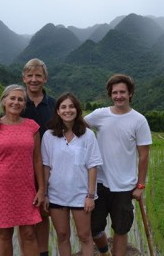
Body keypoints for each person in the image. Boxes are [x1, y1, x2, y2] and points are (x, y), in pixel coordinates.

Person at [0, 58, 55, 256]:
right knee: (16, 225)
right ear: (24, 77)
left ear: (45, 79)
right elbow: (4, 119)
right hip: (16, 173)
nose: (34, 79)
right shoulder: (18, 100)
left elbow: (69, 123)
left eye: (38, 76)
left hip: (45, 168)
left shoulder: (53, 104)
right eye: (30, 75)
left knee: (41, 215)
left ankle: (43, 252)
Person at [85, 74, 152, 256]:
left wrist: (140, 185)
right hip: (99, 182)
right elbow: (77, 126)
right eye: (115, 92)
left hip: (124, 185)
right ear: (110, 94)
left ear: (130, 94)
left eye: (123, 92)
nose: (118, 96)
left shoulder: (139, 120)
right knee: (94, 227)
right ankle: (105, 251)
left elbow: (144, 156)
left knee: (121, 229)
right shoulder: (100, 115)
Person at [0, 84, 45, 255]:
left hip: (26, 188)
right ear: (4, 101)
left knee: (29, 234)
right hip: (0, 190)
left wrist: (41, 189)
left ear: (24, 104)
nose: (16, 102)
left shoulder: (32, 126)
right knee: (5, 234)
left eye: (20, 99)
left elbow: (37, 159)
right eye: (12, 98)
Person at [42, 93, 103, 256]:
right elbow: (46, 166)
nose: (67, 110)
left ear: (77, 110)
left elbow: (92, 166)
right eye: (63, 107)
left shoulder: (88, 135)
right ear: (58, 111)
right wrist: (45, 193)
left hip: (80, 194)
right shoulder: (49, 135)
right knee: (62, 235)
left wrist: (90, 195)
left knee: (84, 235)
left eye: (71, 106)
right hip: (56, 194)